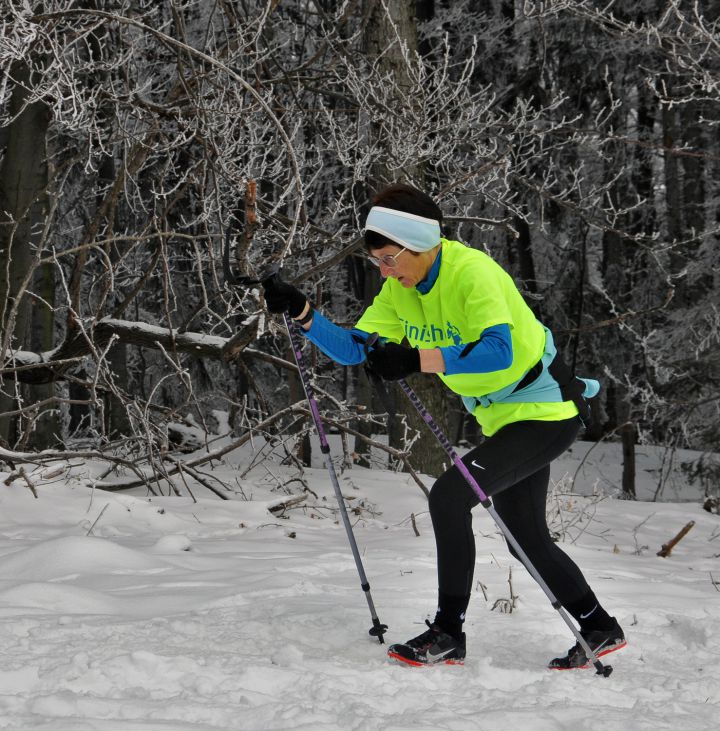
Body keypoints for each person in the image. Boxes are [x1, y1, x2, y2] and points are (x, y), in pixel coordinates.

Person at [262, 183, 626, 669]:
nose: (386, 271)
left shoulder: (472, 273)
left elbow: (500, 350)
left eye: (391, 258)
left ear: (422, 244)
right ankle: (600, 626)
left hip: (546, 409)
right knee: (527, 538)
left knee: (450, 496)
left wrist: (416, 357)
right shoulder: (399, 291)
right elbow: (356, 349)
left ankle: (447, 632)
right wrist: (305, 314)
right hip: (504, 417)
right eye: (378, 263)